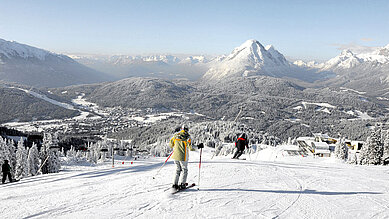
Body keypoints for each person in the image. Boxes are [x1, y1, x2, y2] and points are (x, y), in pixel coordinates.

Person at [169, 124, 194, 190]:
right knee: (184, 170)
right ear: (187, 130)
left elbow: (171, 145)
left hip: (175, 156)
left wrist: (176, 146)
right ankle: (182, 184)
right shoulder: (187, 137)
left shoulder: (176, 135)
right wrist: (199, 147)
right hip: (183, 157)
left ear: (181, 129)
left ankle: (175, 184)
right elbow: (191, 148)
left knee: (178, 170)